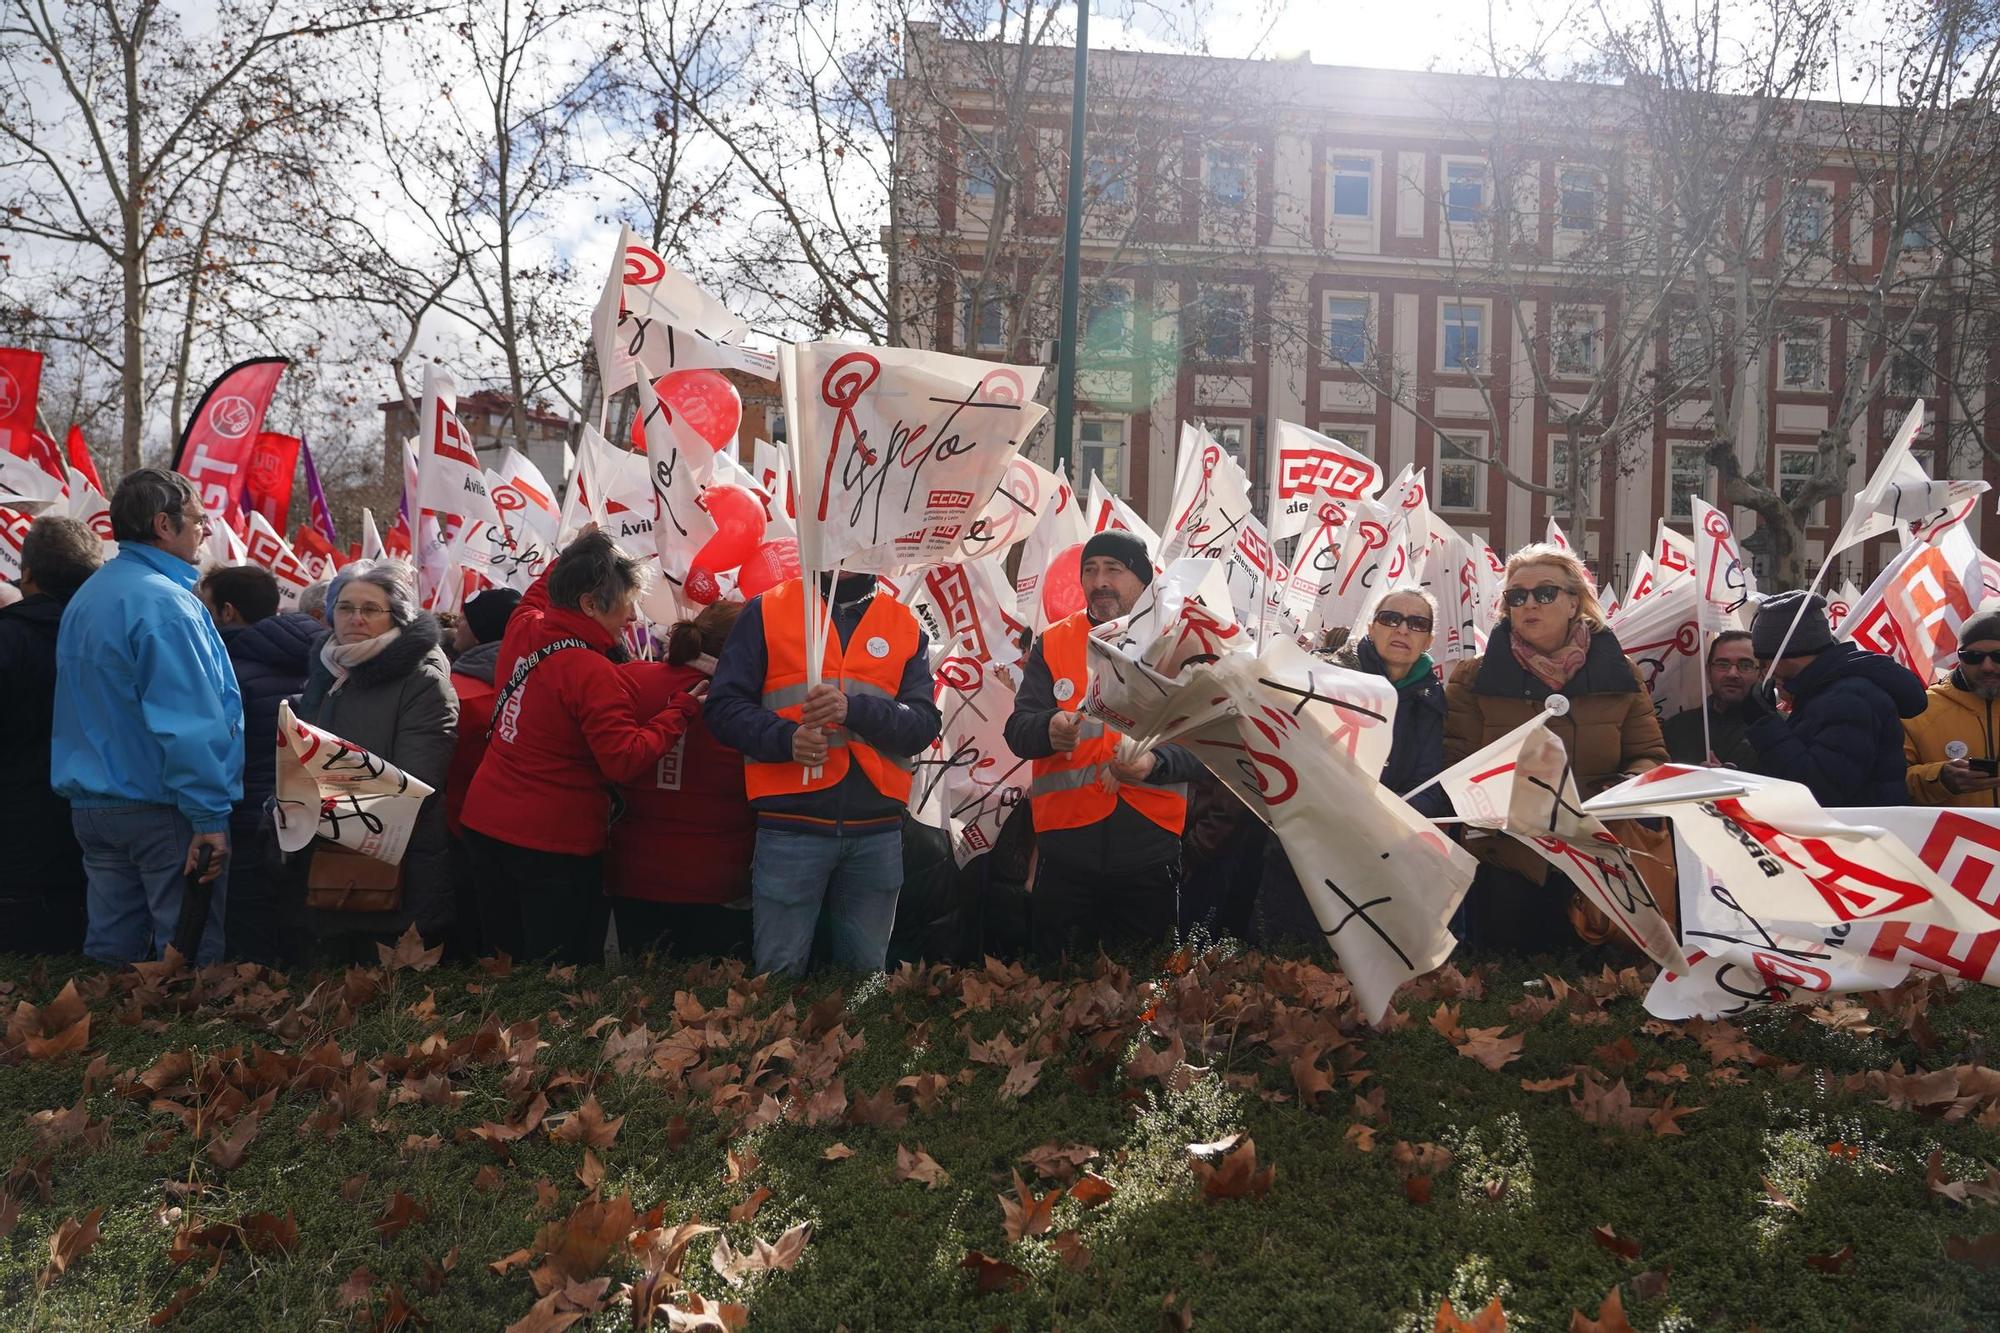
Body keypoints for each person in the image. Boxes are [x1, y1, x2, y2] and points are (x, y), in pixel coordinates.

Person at [461, 531, 703, 964]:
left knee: (500, 958)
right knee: (556, 969)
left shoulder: (523, 627)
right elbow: (624, 759)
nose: (633, 616)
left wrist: (577, 549)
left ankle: (494, 1029)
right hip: (551, 843)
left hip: (484, 824)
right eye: (627, 601)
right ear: (590, 604)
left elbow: (541, 592)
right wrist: (679, 711)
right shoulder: (593, 672)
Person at [705, 569, 941, 976]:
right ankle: (775, 1042)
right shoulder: (767, 610)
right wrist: (786, 739)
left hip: (877, 832)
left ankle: (866, 1043)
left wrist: (855, 709)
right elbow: (723, 707)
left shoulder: (904, 623)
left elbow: (922, 724)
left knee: (867, 979)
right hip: (791, 827)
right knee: (777, 974)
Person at [52, 468, 241, 965]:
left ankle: (98, 1037)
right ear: (163, 523)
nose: (206, 529)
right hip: (161, 805)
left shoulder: (90, 595)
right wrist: (209, 815)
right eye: (200, 519)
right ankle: (191, 1042)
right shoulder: (166, 603)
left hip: (96, 804)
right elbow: (189, 720)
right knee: (186, 952)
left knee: (112, 948)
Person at [1443, 543, 1667, 953]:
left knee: (1600, 988)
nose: (1529, 604)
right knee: (1509, 981)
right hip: (1509, 858)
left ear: (1574, 603)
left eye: (1545, 593)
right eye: (1516, 595)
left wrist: (1615, 792)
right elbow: (1458, 764)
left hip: (1601, 853)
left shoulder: (1623, 674)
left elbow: (1650, 756)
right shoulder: (1472, 677)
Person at [1003, 532, 1201, 961]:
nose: (1100, 581)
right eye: (1090, 570)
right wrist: (1046, 729)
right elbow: (1017, 729)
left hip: (1149, 850)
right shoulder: (1053, 641)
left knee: (1142, 989)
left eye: (1115, 568)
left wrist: (1155, 763)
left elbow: (1208, 747)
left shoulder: (1178, 643)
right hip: (1065, 852)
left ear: (1144, 579)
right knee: (1055, 989)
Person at [1256, 587, 1449, 950]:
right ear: (1372, 627)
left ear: (1429, 640)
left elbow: (1427, 780)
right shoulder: (1323, 675)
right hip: (1311, 842)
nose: (1402, 629)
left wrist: (1386, 826)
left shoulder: (1432, 697)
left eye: (1416, 623)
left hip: (1383, 848)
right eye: (1391, 619)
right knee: (1289, 959)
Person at [291, 560, 457, 957]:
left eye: (370, 609)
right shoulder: (326, 672)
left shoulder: (423, 682)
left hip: (397, 874)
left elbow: (416, 785)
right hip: (327, 867)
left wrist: (318, 798)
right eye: (346, 608)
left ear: (397, 617)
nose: (356, 618)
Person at [606, 602, 755, 962]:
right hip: (717, 883)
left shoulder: (628, 677)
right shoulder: (752, 706)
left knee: (636, 1003)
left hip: (632, 875)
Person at [198, 563, 321, 965]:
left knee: (250, 933)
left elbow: (213, 748)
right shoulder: (322, 661)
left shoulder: (224, 669)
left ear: (228, 612)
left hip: (247, 813)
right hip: (309, 811)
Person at [0, 517, 102, 954]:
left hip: (18, 831)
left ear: (27, 575)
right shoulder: (110, 635)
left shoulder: (8, 637)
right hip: (100, 822)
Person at [1746, 589, 1926, 807]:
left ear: (1787, 655)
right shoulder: (1823, 691)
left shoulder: (1848, 699)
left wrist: (1766, 725)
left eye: (1766, 662)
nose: (1765, 672)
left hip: (1856, 835)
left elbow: (1821, 790)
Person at [441, 585, 520, 960]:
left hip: (458, 829)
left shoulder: (455, 693)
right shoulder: (536, 680)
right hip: (521, 833)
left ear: (481, 628)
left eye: (464, 618)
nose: (457, 624)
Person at [1901, 610, 2000, 807]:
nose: (1987, 666)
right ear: (1959, 658)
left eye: (1998, 656)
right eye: (1973, 656)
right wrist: (1940, 779)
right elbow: (1888, 782)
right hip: (1953, 837)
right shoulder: (1919, 710)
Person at [1661, 630, 1763, 768]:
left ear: (1761, 674)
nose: (1732, 674)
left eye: (1745, 666)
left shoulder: (1782, 730)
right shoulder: (1675, 729)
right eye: (1722, 664)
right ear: (1708, 672)